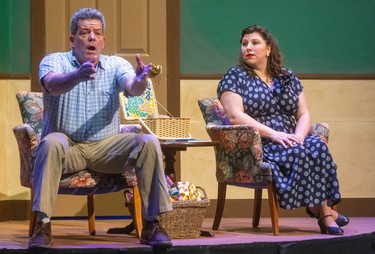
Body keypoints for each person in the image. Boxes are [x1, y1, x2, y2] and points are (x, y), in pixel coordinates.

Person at [28, 8, 172, 249]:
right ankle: (43, 225)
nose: (92, 38)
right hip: (68, 148)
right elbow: (51, 84)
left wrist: (140, 80)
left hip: (105, 149)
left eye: (97, 33)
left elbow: (132, 87)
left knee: (147, 142)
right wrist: (77, 75)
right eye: (85, 33)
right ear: (73, 40)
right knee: (51, 141)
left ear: (103, 40)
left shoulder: (116, 64)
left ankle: (152, 224)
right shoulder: (55, 60)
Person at [217, 25, 349, 235]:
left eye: (255, 43)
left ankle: (321, 210)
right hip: (260, 142)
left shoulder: (286, 76)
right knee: (296, 151)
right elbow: (235, 116)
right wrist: (274, 134)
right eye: (244, 44)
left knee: (317, 146)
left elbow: (304, 114)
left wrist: (298, 135)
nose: (248, 48)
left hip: (291, 136)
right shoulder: (235, 76)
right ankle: (325, 213)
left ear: (268, 49)